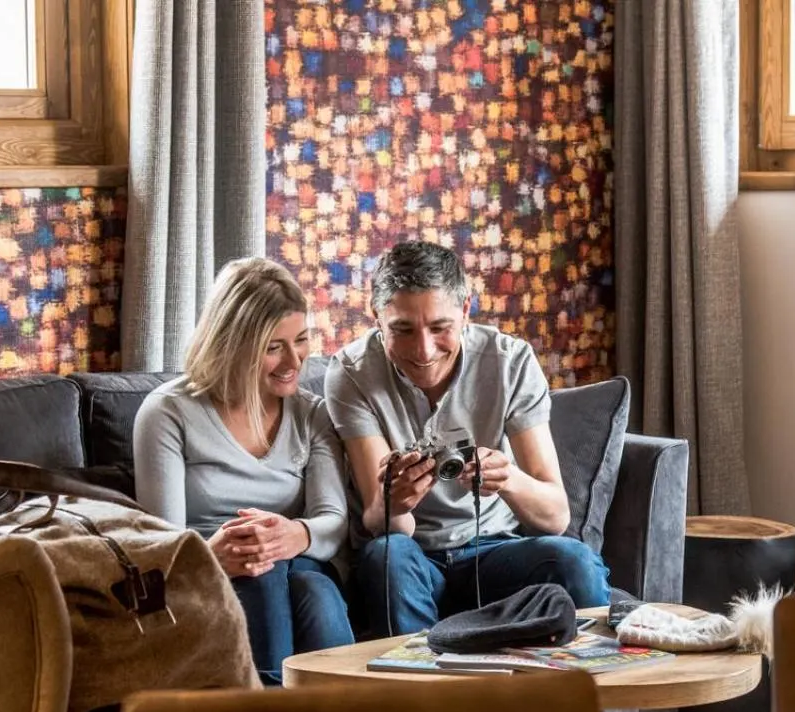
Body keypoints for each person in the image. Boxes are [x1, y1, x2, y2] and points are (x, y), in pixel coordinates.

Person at [325, 240, 609, 636]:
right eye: (402, 330)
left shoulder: (510, 362)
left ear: (465, 311)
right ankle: (419, 676)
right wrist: (396, 502)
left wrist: (508, 479)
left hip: (494, 547)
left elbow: (555, 516)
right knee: (388, 556)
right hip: (410, 553)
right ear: (377, 318)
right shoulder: (352, 373)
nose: (423, 351)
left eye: (440, 328)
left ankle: (586, 674)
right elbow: (380, 523)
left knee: (574, 562)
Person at [133, 257, 354, 683]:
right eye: (273, 347)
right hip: (206, 577)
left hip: (297, 564)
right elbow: (161, 546)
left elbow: (333, 520)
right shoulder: (167, 413)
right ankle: (269, 711)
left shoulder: (313, 415)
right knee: (261, 574)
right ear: (233, 345)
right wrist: (210, 556)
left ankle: (343, 710)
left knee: (316, 589)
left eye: (301, 340)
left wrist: (293, 535)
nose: (294, 361)